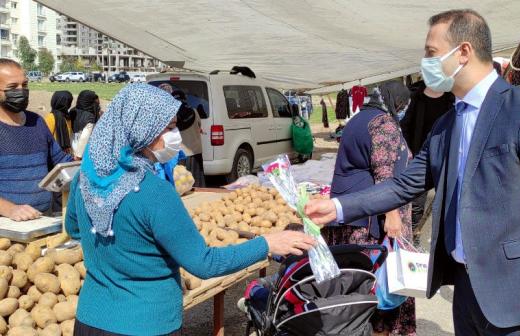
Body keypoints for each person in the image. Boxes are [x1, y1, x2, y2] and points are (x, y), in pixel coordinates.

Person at [306, 9, 520, 336]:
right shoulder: (447, 124)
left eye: (431, 53)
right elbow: (404, 184)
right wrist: (338, 207)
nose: (425, 62)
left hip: (516, 297)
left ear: (463, 52)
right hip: (466, 289)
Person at [65, 84, 315, 335]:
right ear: (143, 129)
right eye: (170, 128)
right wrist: (267, 244)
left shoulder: (85, 178)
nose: (177, 135)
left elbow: (74, 228)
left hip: (90, 319)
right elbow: (203, 263)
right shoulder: (153, 192)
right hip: (144, 324)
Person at [323, 81, 415, 335]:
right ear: (395, 102)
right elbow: (385, 173)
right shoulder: (383, 123)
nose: (404, 109)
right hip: (370, 224)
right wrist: (393, 214)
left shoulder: (359, 119)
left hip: (351, 216)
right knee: (379, 288)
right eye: (403, 105)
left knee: (356, 290)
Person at [0, 59, 72, 221]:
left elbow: (62, 163)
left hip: (42, 221)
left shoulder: (37, 122)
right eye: (13, 87)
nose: (21, 91)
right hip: (6, 229)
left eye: (24, 85)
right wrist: (10, 209)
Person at [400, 81, 454, 243]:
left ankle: (443, 238)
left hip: (446, 157)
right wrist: (409, 151)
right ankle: (412, 236)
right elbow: (405, 126)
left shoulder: (451, 100)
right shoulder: (416, 98)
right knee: (416, 202)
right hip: (419, 156)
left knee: (447, 201)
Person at [171, 89, 206, 187]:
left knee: (183, 184)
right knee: (197, 182)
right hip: (196, 152)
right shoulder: (194, 111)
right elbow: (199, 126)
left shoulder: (172, 116)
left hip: (181, 154)